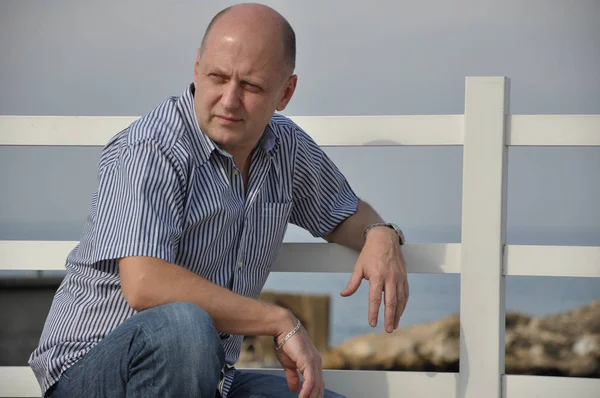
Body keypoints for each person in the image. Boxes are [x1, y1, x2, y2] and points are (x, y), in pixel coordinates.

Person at [29, 3, 409, 398]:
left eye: (251, 86)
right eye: (218, 77)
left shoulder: (286, 147)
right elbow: (144, 283)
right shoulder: (152, 147)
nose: (229, 101)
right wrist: (278, 320)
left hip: (208, 380)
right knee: (183, 326)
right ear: (196, 69)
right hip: (90, 374)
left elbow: (343, 213)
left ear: (286, 92)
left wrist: (379, 234)